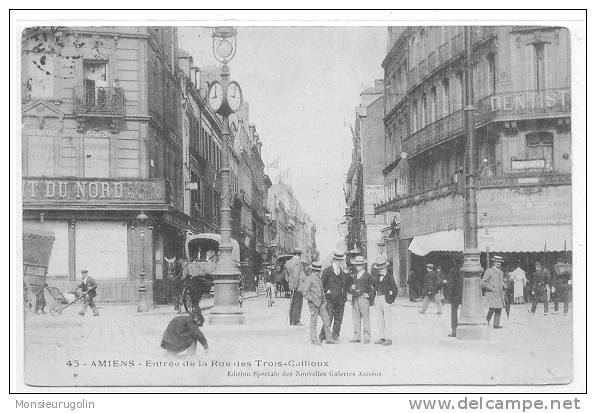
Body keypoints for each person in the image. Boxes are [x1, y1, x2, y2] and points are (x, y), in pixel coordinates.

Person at [302, 262, 337, 345]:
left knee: (327, 320)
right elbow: (305, 292)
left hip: (321, 304)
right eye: (315, 271)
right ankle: (314, 339)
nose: (317, 273)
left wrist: (324, 302)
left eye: (318, 271)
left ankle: (329, 338)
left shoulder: (319, 279)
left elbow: (322, 291)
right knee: (314, 322)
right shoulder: (309, 279)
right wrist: (313, 299)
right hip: (313, 305)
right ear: (312, 271)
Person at [319, 251, 350, 342]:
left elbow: (346, 284)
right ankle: (323, 335)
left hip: (340, 299)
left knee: (338, 318)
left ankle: (335, 335)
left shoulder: (343, 272)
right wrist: (326, 291)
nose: (339, 262)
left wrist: (346, 294)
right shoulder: (327, 271)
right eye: (337, 260)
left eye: (341, 260)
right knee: (328, 317)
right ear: (334, 260)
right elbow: (321, 284)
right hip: (330, 299)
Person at [372, 259, 398, 346]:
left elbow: (395, 289)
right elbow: (375, 287)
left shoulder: (389, 276)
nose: (380, 270)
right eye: (379, 269)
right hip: (377, 298)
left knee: (387, 319)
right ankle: (381, 337)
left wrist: (390, 299)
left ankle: (388, 339)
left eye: (382, 268)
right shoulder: (376, 276)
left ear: (385, 267)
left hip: (385, 299)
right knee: (380, 319)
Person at [349, 256, 373, 344]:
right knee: (356, 318)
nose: (358, 267)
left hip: (363, 298)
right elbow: (350, 287)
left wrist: (369, 295)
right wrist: (351, 288)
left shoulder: (367, 275)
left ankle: (366, 337)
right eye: (356, 265)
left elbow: (373, 287)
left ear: (363, 265)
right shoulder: (354, 276)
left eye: (359, 265)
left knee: (365, 318)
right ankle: (356, 337)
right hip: (355, 299)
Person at [481, 255, 505, 329]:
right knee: (492, 308)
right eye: (497, 262)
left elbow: (500, 282)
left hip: (499, 294)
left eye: (500, 262)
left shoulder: (501, 272)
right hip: (492, 293)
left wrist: (504, 285)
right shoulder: (489, 271)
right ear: (494, 262)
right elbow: (483, 282)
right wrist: (491, 288)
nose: (499, 264)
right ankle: (486, 321)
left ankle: (496, 324)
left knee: (499, 308)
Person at [287, 248, 306, 326]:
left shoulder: (288, 262)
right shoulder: (298, 263)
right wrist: (295, 286)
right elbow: (296, 275)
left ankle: (291, 319)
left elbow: (288, 275)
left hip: (291, 285)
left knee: (292, 302)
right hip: (298, 286)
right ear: (300, 255)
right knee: (298, 303)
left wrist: (291, 285)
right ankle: (296, 320)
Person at [447, 259, 463, 337]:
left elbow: (450, 284)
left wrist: (448, 296)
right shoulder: (465, 270)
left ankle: (454, 330)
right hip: (464, 294)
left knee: (454, 312)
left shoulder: (452, 271)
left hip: (455, 294)